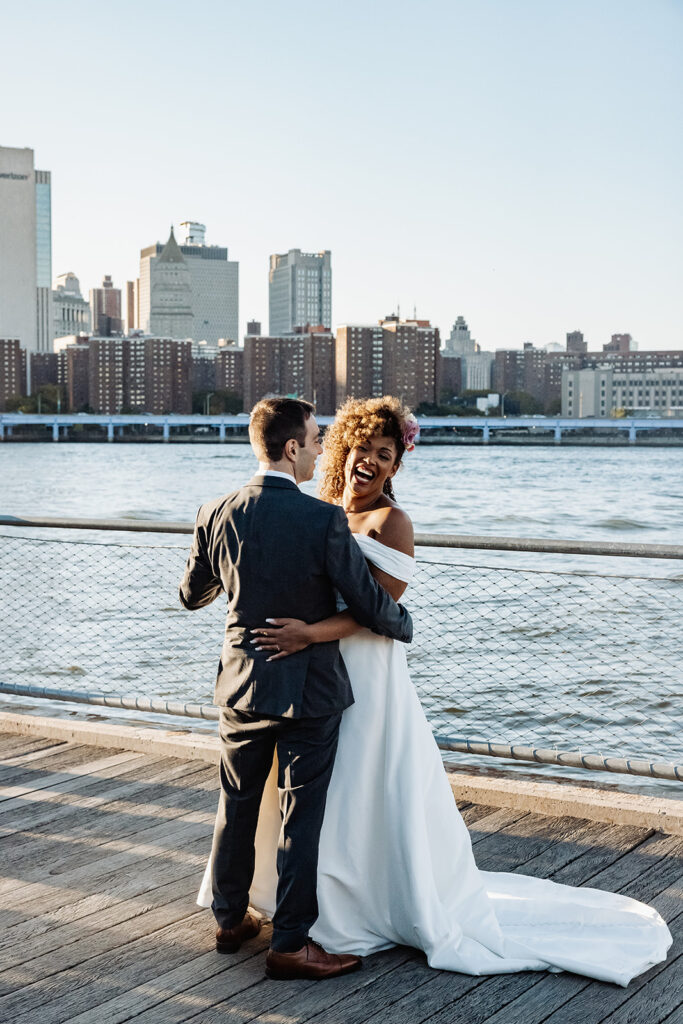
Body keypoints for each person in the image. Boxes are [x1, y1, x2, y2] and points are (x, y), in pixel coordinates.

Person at [198, 394, 672, 987]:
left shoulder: (390, 522)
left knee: (348, 789)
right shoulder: (318, 510)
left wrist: (308, 632)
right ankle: (292, 919)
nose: (369, 462)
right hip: (307, 672)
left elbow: (380, 605)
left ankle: (343, 905)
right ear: (336, 448)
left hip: (351, 670)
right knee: (303, 801)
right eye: (362, 449)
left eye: (385, 455)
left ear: (397, 466)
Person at [180, 397, 413, 982]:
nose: (318, 450)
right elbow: (367, 602)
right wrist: (402, 625)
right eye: (313, 440)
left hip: (240, 684)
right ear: (291, 448)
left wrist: (240, 587)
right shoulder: (323, 519)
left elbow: (192, 594)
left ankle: (230, 921)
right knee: (298, 815)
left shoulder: (216, 511)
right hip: (309, 694)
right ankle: (290, 943)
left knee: (236, 805)